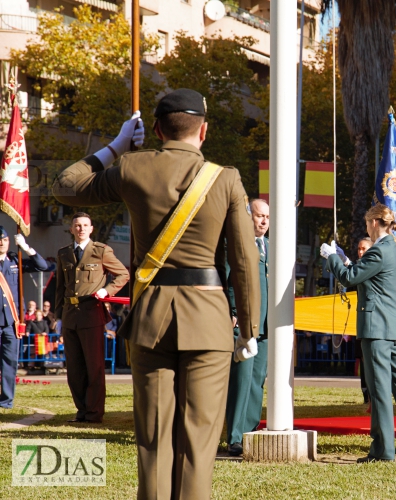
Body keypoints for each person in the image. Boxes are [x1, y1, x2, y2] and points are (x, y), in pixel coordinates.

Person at [52, 88, 261, 499]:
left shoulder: (132, 167)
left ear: (159, 129)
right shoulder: (226, 178)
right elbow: (244, 262)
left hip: (150, 320)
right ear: (204, 131)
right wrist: (249, 328)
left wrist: (116, 145)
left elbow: (66, 184)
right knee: (198, 447)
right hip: (209, 322)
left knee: (152, 444)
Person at [321, 204, 396, 462]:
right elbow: (368, 278)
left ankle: (383, 451)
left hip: (377, 330)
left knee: (380, 390)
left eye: (366, 224)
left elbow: (349, 278)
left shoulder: (378, 251)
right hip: (393, 327)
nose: (366, 228)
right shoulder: (392, 250)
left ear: (374, 223)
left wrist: (331, 258)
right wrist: (345, 260)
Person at [55, 212, 129, 423]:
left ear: (91, 229)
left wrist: (108, 291)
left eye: (85, 225)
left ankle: (94, 413)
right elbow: (61, 287)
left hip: (92, 314)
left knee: (94, 367)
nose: (80, 229)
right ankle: (81, 411)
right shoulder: (64, 253)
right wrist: (58, 317)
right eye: (77, 225)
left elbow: (123, 274)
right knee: (75, 369)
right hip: (70, 316)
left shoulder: (101, 251)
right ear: (71, 229)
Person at [338, 236, 396, 406]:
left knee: (388, 364)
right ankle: (368, 398)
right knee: (365, 358)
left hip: (386, 319)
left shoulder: (385, 263)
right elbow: (354, 276)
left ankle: (382, 399)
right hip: (368, 320)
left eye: (364, 249)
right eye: (359, 249)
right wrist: (345, 262)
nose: (361, 252)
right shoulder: (361, 265)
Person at [225, 198, 270, 456]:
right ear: (248, 216)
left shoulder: (270, 246)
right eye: (259, 215)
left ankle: (250, 430)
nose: (263, 221)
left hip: (265, 324)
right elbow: (227, 279)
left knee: (257, 380)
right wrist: (232, 311)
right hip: (244, 321)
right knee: (241, 380)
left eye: (267, 217)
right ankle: (234, 437)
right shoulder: (236, 243)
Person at [0, 228, 48, 408]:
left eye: (4, 240)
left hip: (12, 322)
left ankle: (6, 400)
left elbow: (42, 266)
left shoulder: (15, 260)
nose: (1, 243)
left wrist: (27, 248)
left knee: (10, 362)